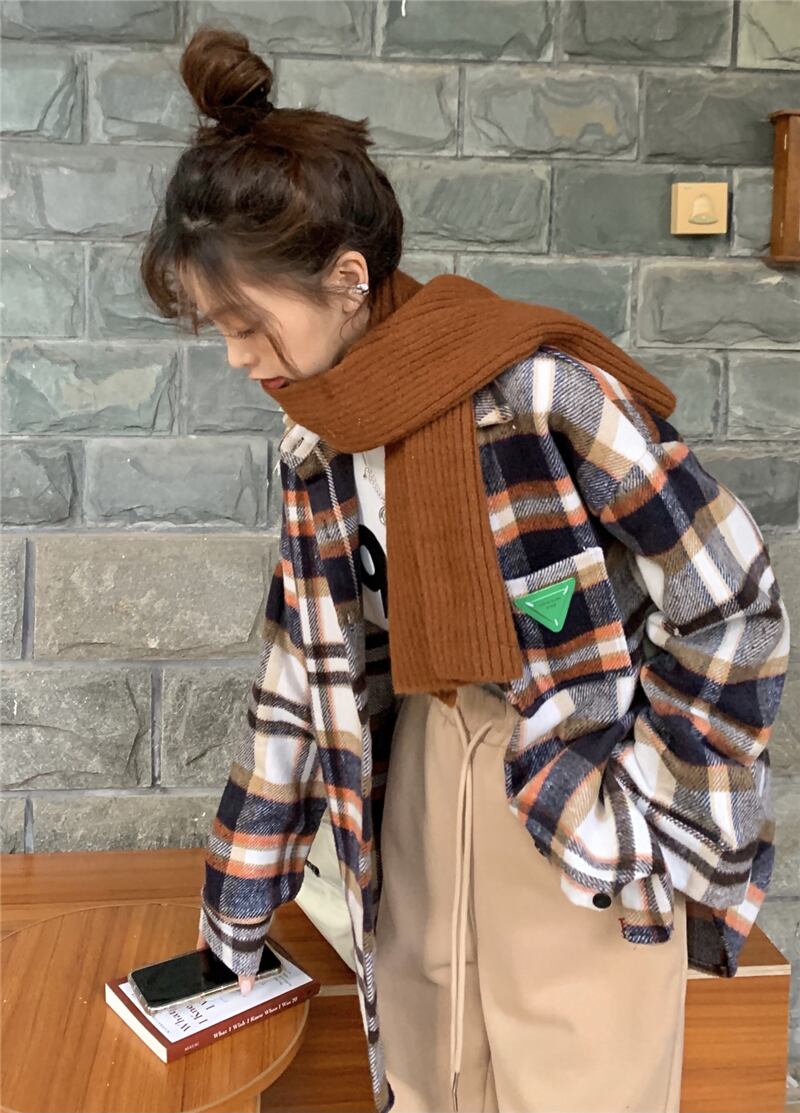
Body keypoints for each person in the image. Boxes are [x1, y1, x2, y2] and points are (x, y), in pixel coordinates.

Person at [140, 25, 790, 1113]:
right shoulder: (317, 448)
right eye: (218, 330)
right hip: (420, 772)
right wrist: (234, 917)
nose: (239, 356)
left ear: (348, 279)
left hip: (570, 782)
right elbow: (301, 676)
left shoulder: (536, 390)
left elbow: (731, 602)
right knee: (429, 1076)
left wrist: (653, 804)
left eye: (247, 322)